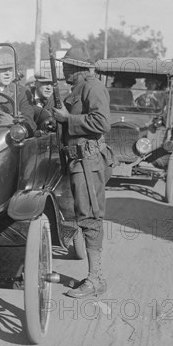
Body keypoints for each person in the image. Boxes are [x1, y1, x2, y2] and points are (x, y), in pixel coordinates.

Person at [52, 46, 114, 299]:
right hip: (77, 159)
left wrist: (68, 120)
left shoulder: (93, 86)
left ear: (78, 67)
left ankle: (95, 280)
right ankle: (93, 276)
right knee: (80, 215)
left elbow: (102, 123)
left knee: (90, 219)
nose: (63, 69)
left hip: (88, 161)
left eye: (67, 66)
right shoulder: (77, 88)